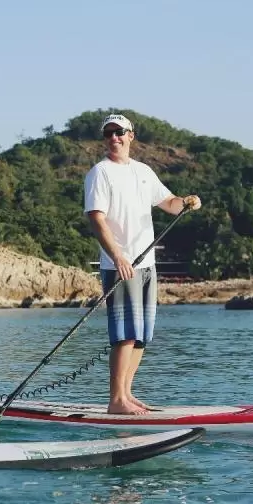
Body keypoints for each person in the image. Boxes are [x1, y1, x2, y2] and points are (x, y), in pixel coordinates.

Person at [83, 113, 201, 415]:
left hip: (147, 264)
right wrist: (118, 256)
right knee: (125, 334)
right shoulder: (100, 172)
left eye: (119, 132)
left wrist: (188, 201)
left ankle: (127, 393)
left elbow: (170, 203)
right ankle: (115, 400)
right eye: (108, 133)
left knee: (142, 335)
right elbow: (96, 218)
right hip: (120, 264)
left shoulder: (144, 171)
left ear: (131, 135)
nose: (114, 138)